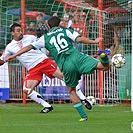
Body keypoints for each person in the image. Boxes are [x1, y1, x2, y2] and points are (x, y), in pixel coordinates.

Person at [5, 17, 110, 121]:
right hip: (77, 57)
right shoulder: (65, 30)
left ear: (49, 26)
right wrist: (94, 41)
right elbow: (79, 39)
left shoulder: (43, 37)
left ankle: (83, 116)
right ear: (59, 24)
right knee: (103, 67)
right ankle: (104, 57)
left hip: (62, 64)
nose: (21, 32)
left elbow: (28, 47)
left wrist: (14, 55)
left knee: (71, 90)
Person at [0, 23, 91, 113]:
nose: (21, 32)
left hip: (43, 61)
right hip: (32, 68)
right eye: (18, 31)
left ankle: (83, 99)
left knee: (65, 77)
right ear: (12, 33)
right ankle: (47, 105)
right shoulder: (9, 47)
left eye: (21, 30)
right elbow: (2, 60)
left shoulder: (30, 37)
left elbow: (43, 43)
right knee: (26, 90)